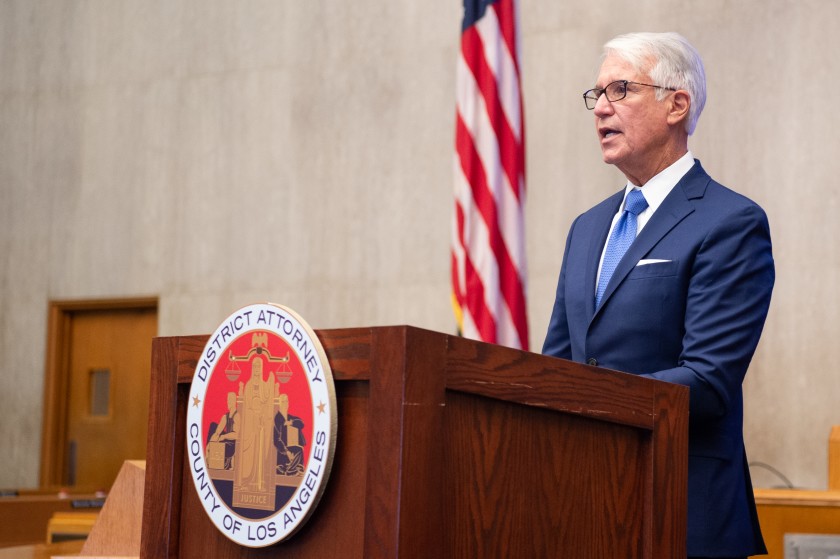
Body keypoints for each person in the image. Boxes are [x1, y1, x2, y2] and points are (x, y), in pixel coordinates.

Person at [542, 32, 773, 558]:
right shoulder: (586, 227)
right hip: (580, 509)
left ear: (677, 104)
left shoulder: (730, 222)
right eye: (596, 94)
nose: (600, 108)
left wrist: (590, 403)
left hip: (682, 511)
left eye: (620, 90)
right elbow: (557, 367)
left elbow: (709, 380)